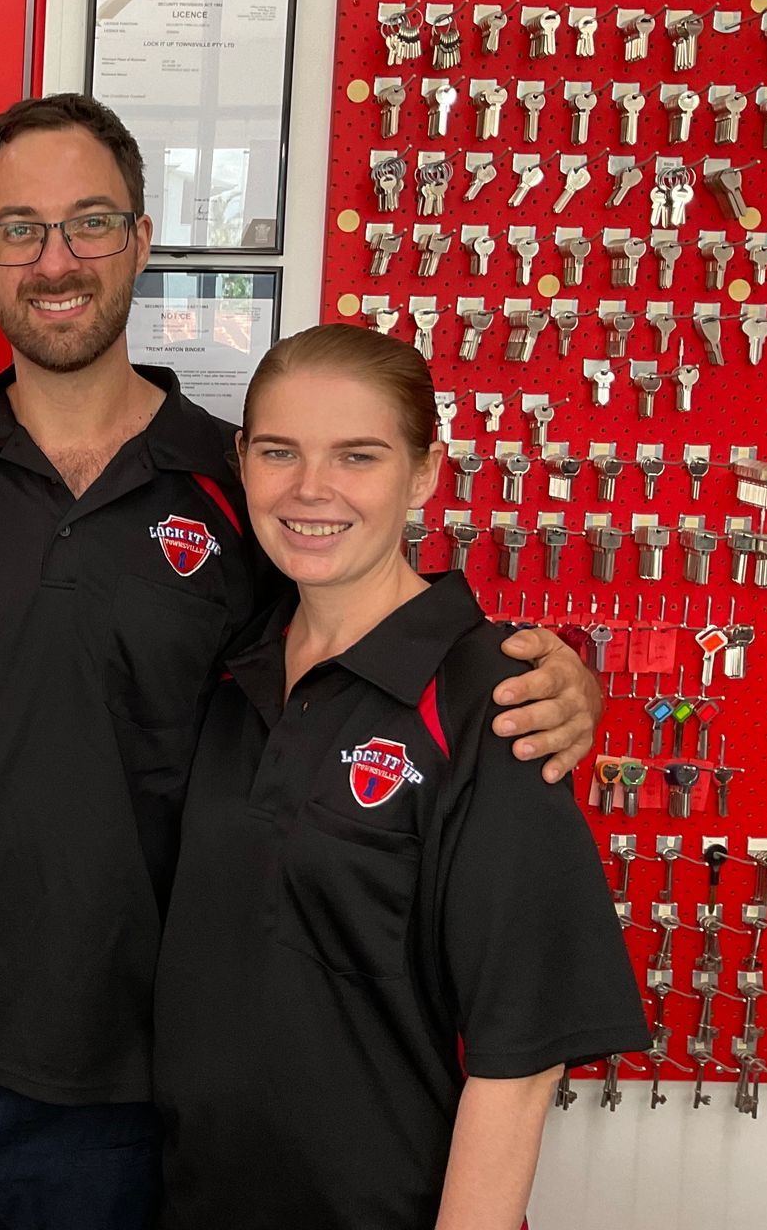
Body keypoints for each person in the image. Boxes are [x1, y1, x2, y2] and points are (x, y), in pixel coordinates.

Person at [0, 94, 604, 1230]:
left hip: (138, 1080)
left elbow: (361, 636)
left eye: (90, 223)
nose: (55, 258)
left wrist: (564, 676)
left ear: (142, 240)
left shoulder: (241, 486)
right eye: (20, 228)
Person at [151, 323, 649, 1230]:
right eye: (279, 452)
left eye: (358, 456)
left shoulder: (492, 698)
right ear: (243, 461)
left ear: (423, 473)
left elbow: (522, 1056)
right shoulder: (231, 672)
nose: (311, 489)